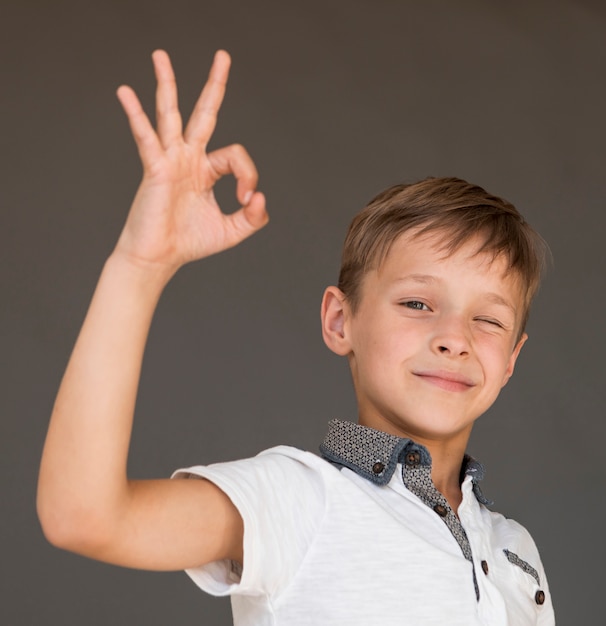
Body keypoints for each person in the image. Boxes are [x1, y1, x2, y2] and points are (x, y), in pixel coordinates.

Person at [37, 50, 555, 625]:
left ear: (511, 359)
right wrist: (139, 265)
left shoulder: (516, 552)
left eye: (488, 320)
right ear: (340, 321)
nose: (454, 338)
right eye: (416, 303)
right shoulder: (297, 499)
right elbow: (82, 516)